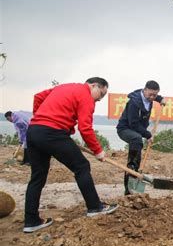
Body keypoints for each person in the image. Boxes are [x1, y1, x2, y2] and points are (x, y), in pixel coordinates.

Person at [24, 77, 118, 233]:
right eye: (101, 94)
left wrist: (40, 118)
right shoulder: (87, 96)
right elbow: (85, 128)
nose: (100, 99)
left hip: (34, 131)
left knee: (37, 176)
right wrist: (98, 151)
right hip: (53, 133)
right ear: (93, 86)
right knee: (82, 166)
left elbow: (38, 97)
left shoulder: (64, 87)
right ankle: (95, 207)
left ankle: (31, 221)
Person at [116, 80, 166, 195]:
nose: (152, 97)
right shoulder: (134, 102)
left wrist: (161, 99)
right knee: (136, 140)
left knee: (137, 143)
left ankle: (135, 169)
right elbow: (133, 124)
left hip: (137, 132)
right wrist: (148, 135)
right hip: (125, 129)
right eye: (151, 94)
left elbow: (156, 97)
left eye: (155, 95)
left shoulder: (151, 97)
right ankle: (130, 181)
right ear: (145, 90)